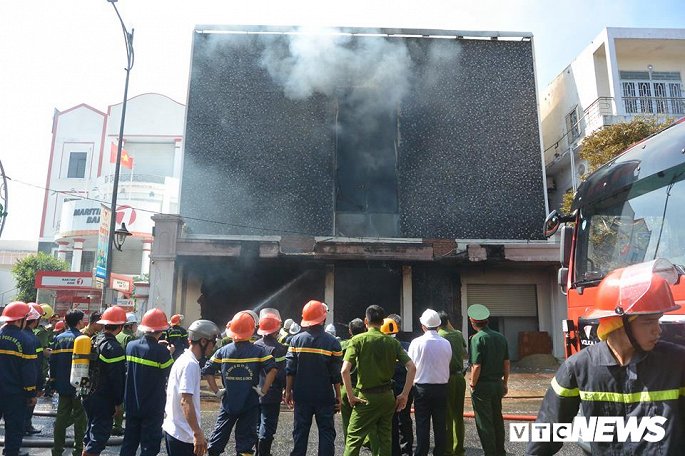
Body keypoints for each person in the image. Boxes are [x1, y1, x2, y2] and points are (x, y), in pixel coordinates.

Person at [526, 263, 685, 455]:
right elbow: (548, 431)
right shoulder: (579, 368)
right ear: (618, 323)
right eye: (649, 321)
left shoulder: (677, 363)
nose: (658, 329)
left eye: (658, 320)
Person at [342, 305, 416, 456]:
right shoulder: (393, 343)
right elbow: (412, 367)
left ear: (365, 321)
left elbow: (344, 371)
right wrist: (404, 394)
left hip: (366, 397)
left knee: (354, 438)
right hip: (387, 397)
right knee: (384, 440)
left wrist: (350, 396)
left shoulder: (357, 340)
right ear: (383, 322)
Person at [203, 311, 277, 456]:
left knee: (217, 440)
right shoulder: (258, 351)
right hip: (250, 403)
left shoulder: (223, 351)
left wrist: (217, 391)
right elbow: (273, 370)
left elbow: (208, 371)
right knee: (245, 445)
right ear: (252, 330)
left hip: (228, 403)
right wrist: (263, 390)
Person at [285, 300, 343, 456]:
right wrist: (339, 395)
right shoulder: (332, 343)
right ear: (323, 318)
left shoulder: (295, 340)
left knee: (300, 432)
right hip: (324, 395)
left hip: (302, 394)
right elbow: (335, 374)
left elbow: (290, 370)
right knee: (326, 433)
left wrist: (288, 391)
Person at [120, 308, 174, 456]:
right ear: (161, 331)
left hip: (131, 404)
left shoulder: (131, 346)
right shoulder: (162, 353)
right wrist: (169, 353)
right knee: (149, 447)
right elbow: (172, 373)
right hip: (152, 407)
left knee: (129, 444)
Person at [163, 319, 220, 456]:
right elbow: (185, 401)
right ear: (203, 341)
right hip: (183, 435)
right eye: (213, 342)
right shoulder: (190, 364)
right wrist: (197, 433)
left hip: (176, 431)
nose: (213, 347)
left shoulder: (183, 359)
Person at [82, 306, 127, 456]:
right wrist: (118, 402)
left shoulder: (94, 339)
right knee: (98, 438)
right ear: (120, 327)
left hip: (87, 393)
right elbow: (117, 379)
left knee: (90, 433)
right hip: (103, 398)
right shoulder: (114, 348)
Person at [408, 309, 452, 456]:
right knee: (440, 424)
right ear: (439, 326)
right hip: (442, 388)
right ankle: (440, 453)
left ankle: (421, 453)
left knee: (422, 424)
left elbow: (410, 366)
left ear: (423, 325)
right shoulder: (446, 343)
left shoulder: (416, 343)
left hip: (422, 389)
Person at [468, 304, 509, 456]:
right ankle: (500, 451)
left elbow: (476, 366)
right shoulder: (500, 337)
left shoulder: (477, 339)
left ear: (472, 321)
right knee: (497, 418)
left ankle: (490, 452)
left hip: (482, 386)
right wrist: (504, 383)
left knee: (484, 422)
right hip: (497, 384)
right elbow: (507, 363)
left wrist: (472, 383)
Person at [0, 301, 37, 456]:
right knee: (14, 426)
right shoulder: (26, 341)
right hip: (15, 394)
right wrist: (31, 393)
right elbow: (28, 371)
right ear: (20, 320)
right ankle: (11, 452)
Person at [50, 309, 88, 456]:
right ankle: (78, 450)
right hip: (79, 384)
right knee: (80, 418)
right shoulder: (83, 339)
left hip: (62, 384)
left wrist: (53, 382)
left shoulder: (58, 338)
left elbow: (52, 362)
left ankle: (57, 450)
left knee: (61, 417)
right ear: (79, 322)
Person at [253, 308, 288, 456]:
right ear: (276, 329)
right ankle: (264, 453)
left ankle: (258, 451)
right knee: (268, 425)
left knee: (256, 424)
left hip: (255, 391)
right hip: (272, 392)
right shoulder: (279, 349)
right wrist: (287, 388)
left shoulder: (255, 346)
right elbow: (281, 373)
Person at [383, 314, 415, 456]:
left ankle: (392, 450)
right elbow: (413, 367)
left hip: (388, 390)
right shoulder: (407, 346)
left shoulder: (380, 346)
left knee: (389, 422)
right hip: (405, 389)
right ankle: (406, 450)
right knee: (404, 420)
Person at [438, 310, 468, 456]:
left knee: (447, 416)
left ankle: (448, 450)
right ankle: (459, 450)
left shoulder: (439, 336)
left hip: (446, 379)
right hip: (460, 378)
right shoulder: (458, 334)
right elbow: (464, 353)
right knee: (458, 416)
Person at [340, 318, 367, 441]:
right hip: (365, 388)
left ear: (350, 331)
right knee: (369, 422)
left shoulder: (343, 345)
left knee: (347, 422)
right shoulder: (369, 343)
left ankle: (349, 446)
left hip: (347, 386)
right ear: (365, 329)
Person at [23, 303, 46, 436]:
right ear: (35, 320)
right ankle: (26, 425)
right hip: (29, 381)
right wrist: (39, 385)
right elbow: (37, 364)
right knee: (29, 403)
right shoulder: (33, 339)